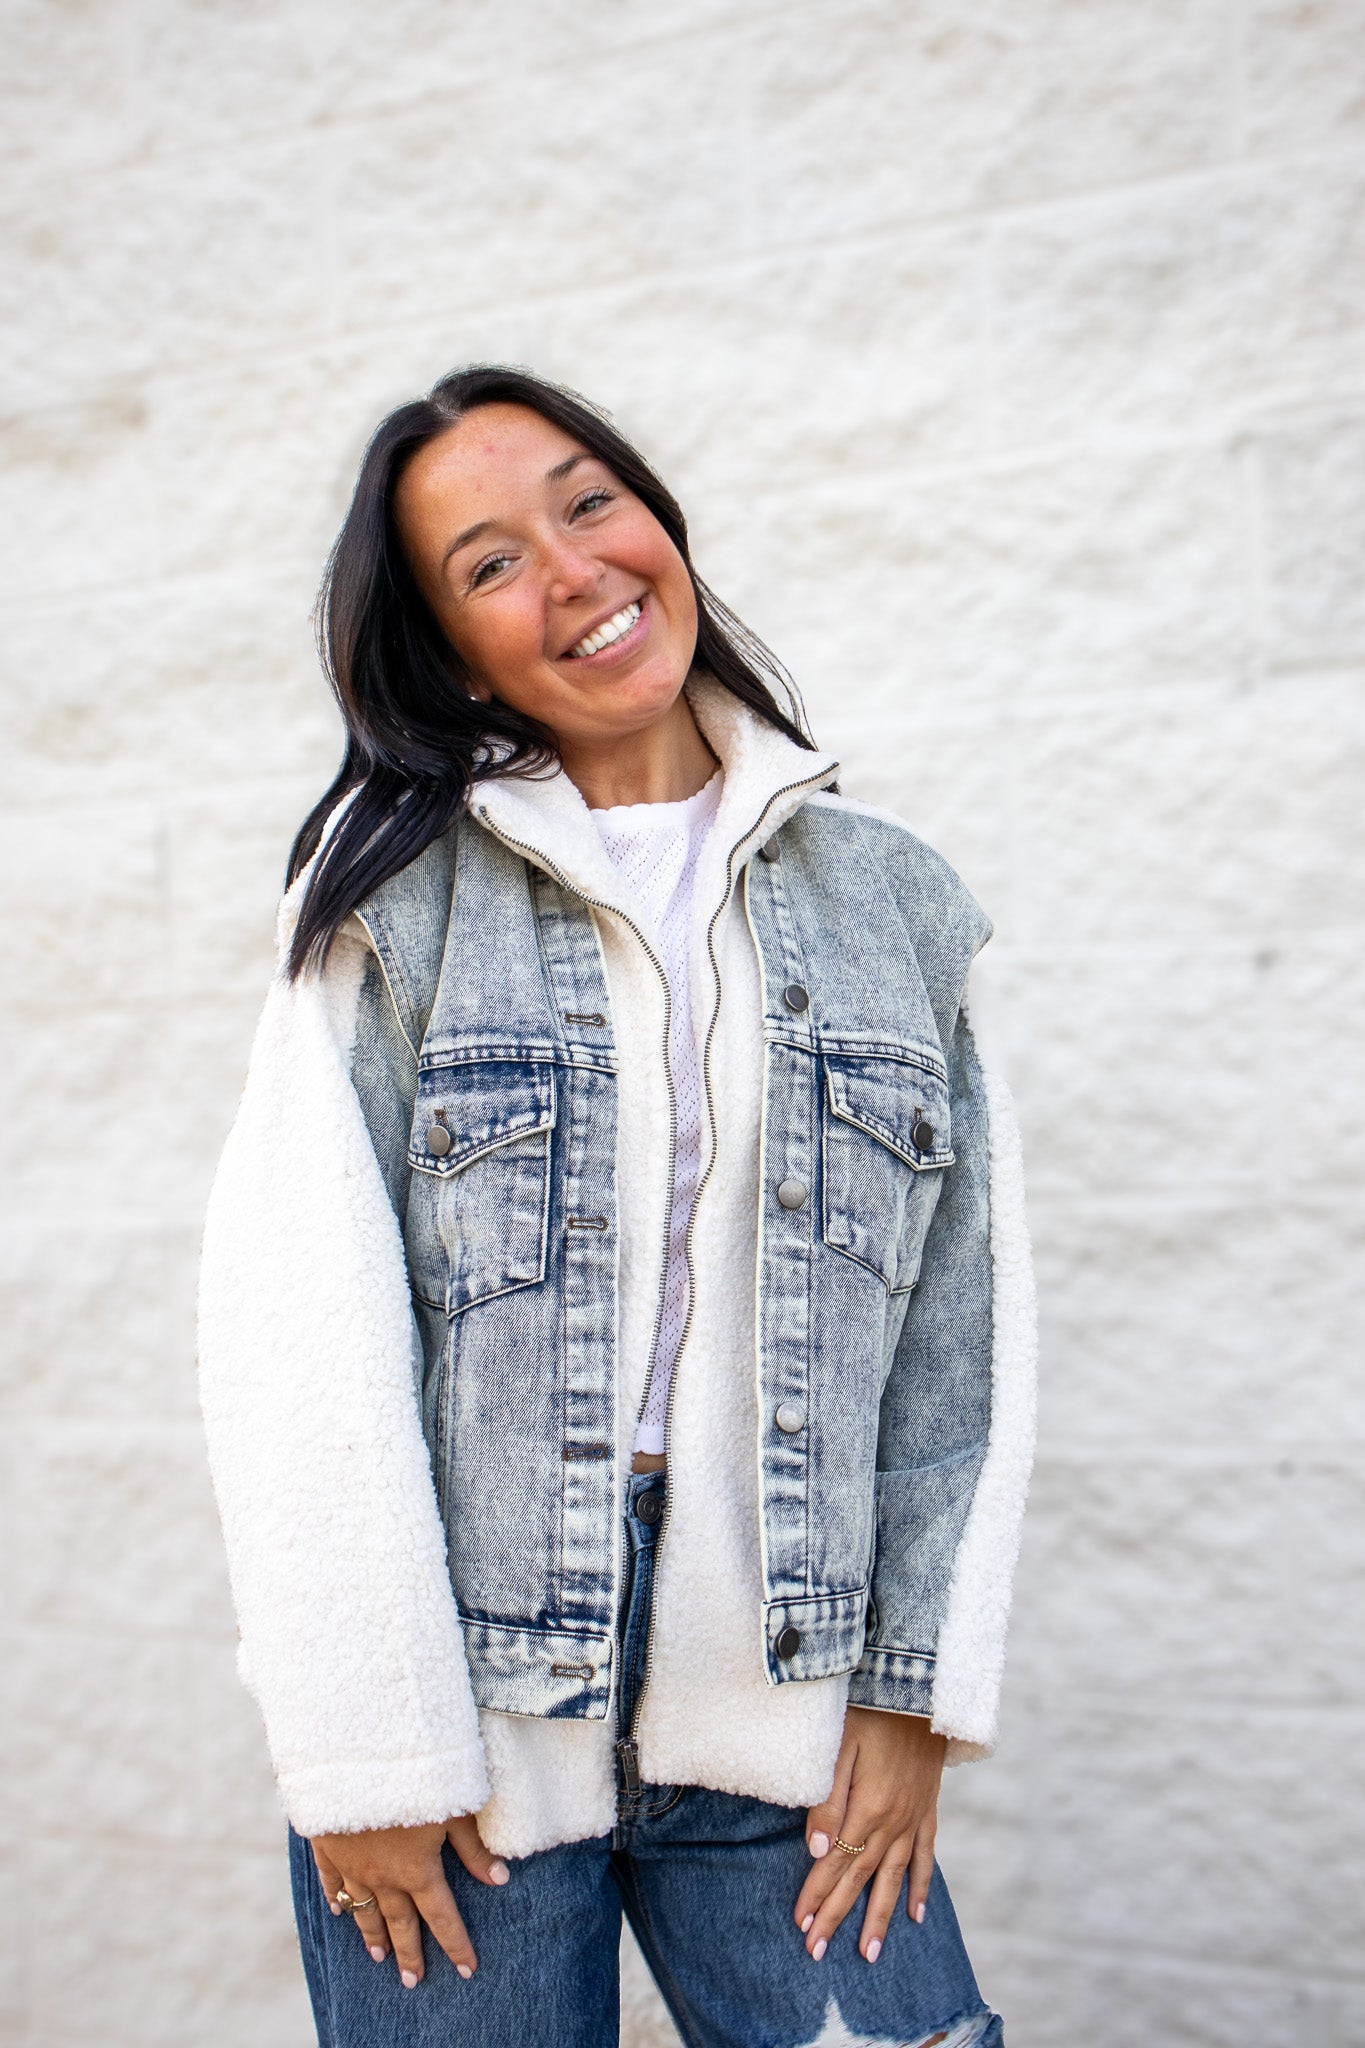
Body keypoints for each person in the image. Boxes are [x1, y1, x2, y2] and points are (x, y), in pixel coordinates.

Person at [198, 364, 1036, 2048]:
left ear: (656, 517)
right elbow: (300, 1334)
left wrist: (910, 1688)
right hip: (472, 1718)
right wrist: (368, 1751)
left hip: (786, 1692)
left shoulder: (892, 898)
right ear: (439, 650)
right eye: (490, 562)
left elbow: (965, 1323)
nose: (574, 570)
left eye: (589, 504)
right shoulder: (388, 904)